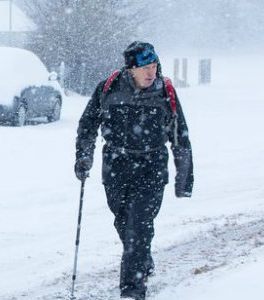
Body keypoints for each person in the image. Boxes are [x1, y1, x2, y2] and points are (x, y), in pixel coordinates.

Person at [74, 41, 194, 300]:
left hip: (151, 169)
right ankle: (142, 259)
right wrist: (84, 156)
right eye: (145, 68)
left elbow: (180, 135)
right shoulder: (108, 88)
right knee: (123, 222)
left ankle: (132, 291)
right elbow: (87, 124)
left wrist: (184, 178)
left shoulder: (165, 91)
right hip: (116, 168)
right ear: (130, 69)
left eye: (154, 66)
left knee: (138, 228)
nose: (151, 73)